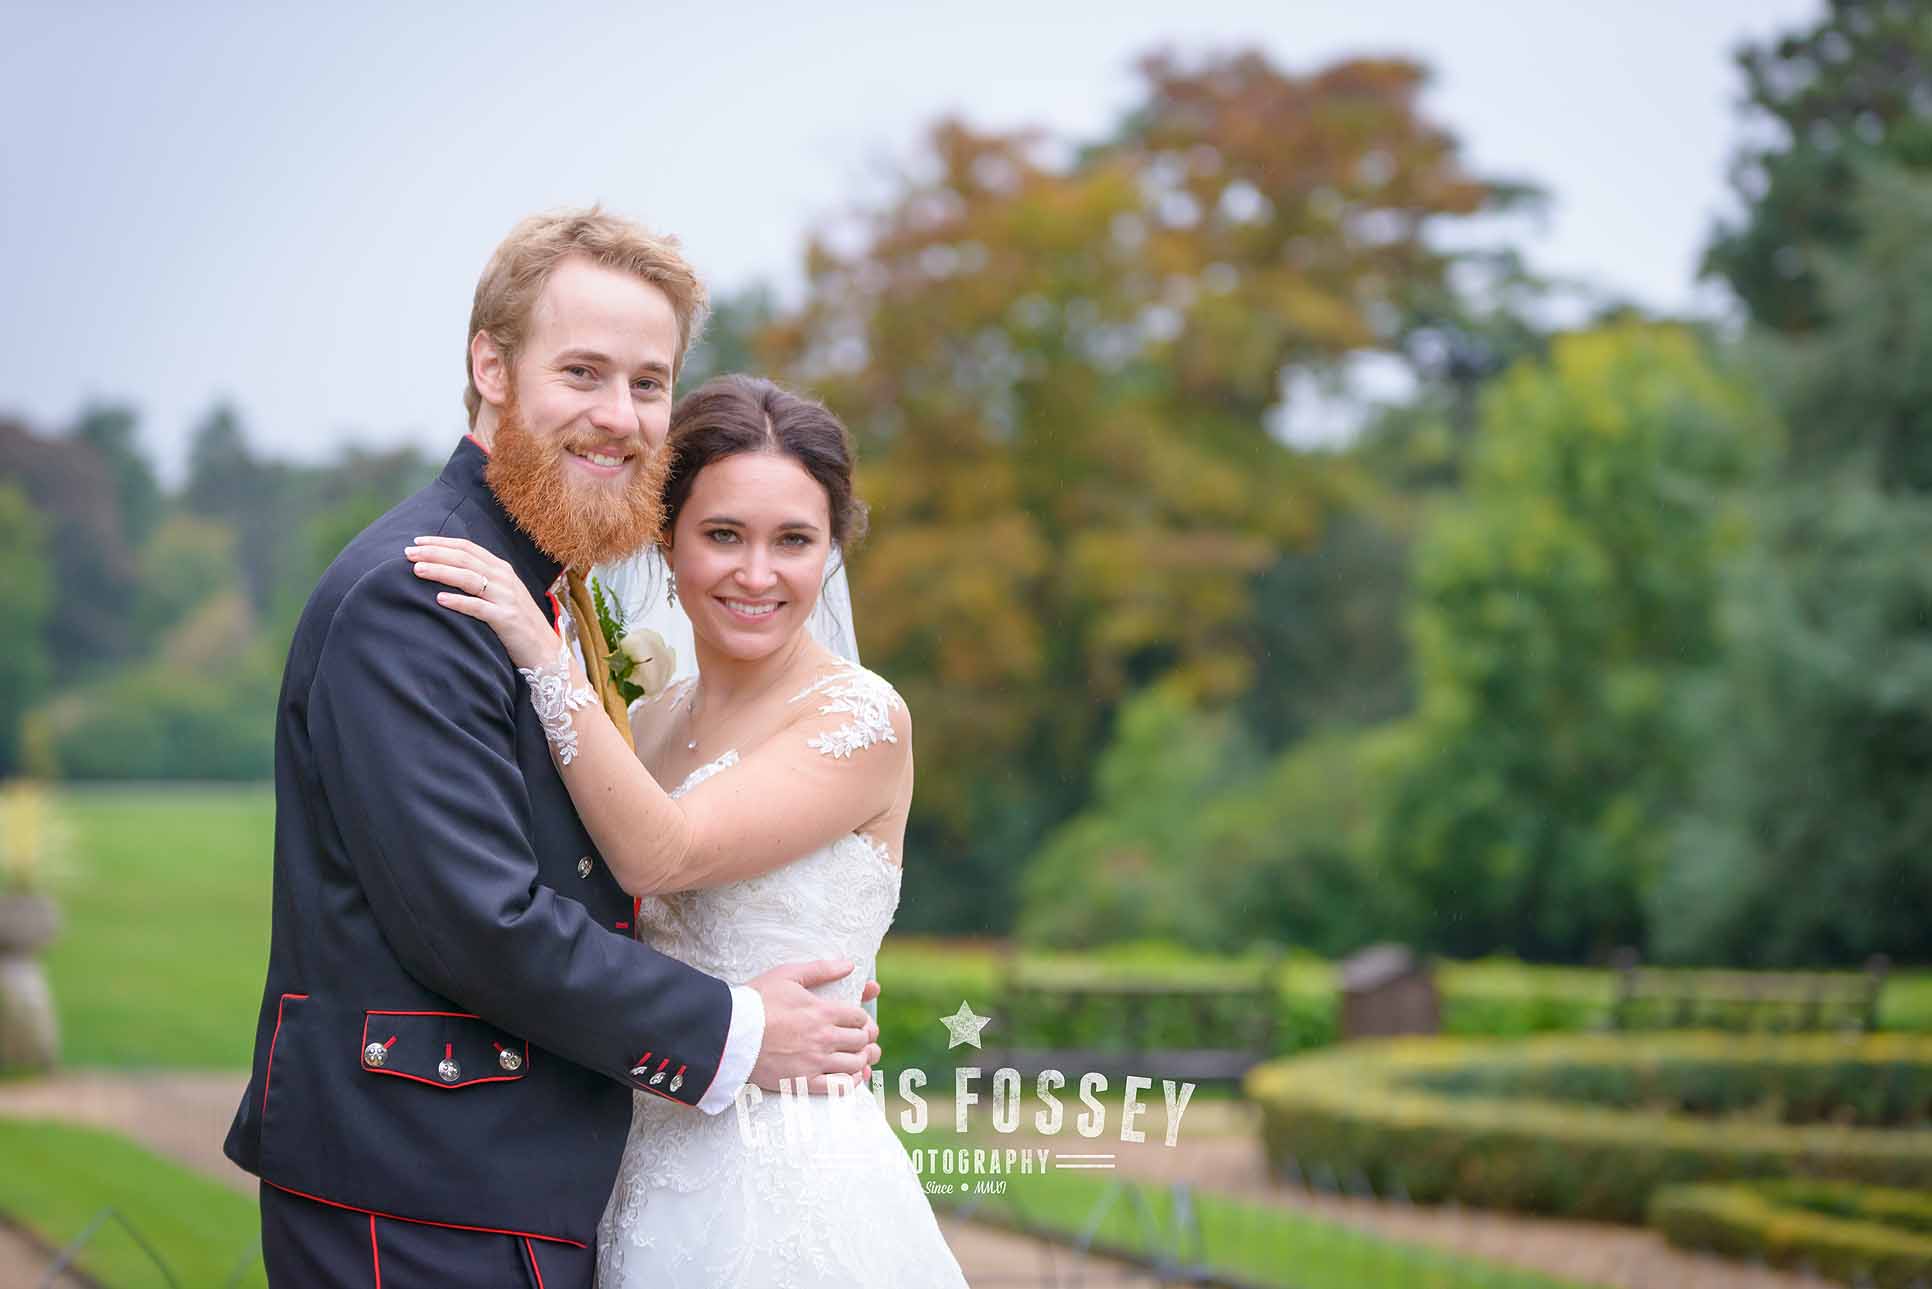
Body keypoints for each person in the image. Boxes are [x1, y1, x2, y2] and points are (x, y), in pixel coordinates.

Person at [223, 209, 881, 1287]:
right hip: (423, 1191)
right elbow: (480, 922)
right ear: (491, 366)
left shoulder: (545, 583)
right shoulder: (424, 592)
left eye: (649, 382)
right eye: (582, 372)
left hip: (507, 1184)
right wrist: (738, 1028)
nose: (619, 416)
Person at [407, 374, 971, 1286]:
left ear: (832, 550)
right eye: (724, 535)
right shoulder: (647, 721)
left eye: (794, 540)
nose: (758, 573)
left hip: (789, 1181)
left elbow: (658, 852)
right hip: (635, 1162)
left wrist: (545, 653)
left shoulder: (861, 720)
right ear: (666, 540)